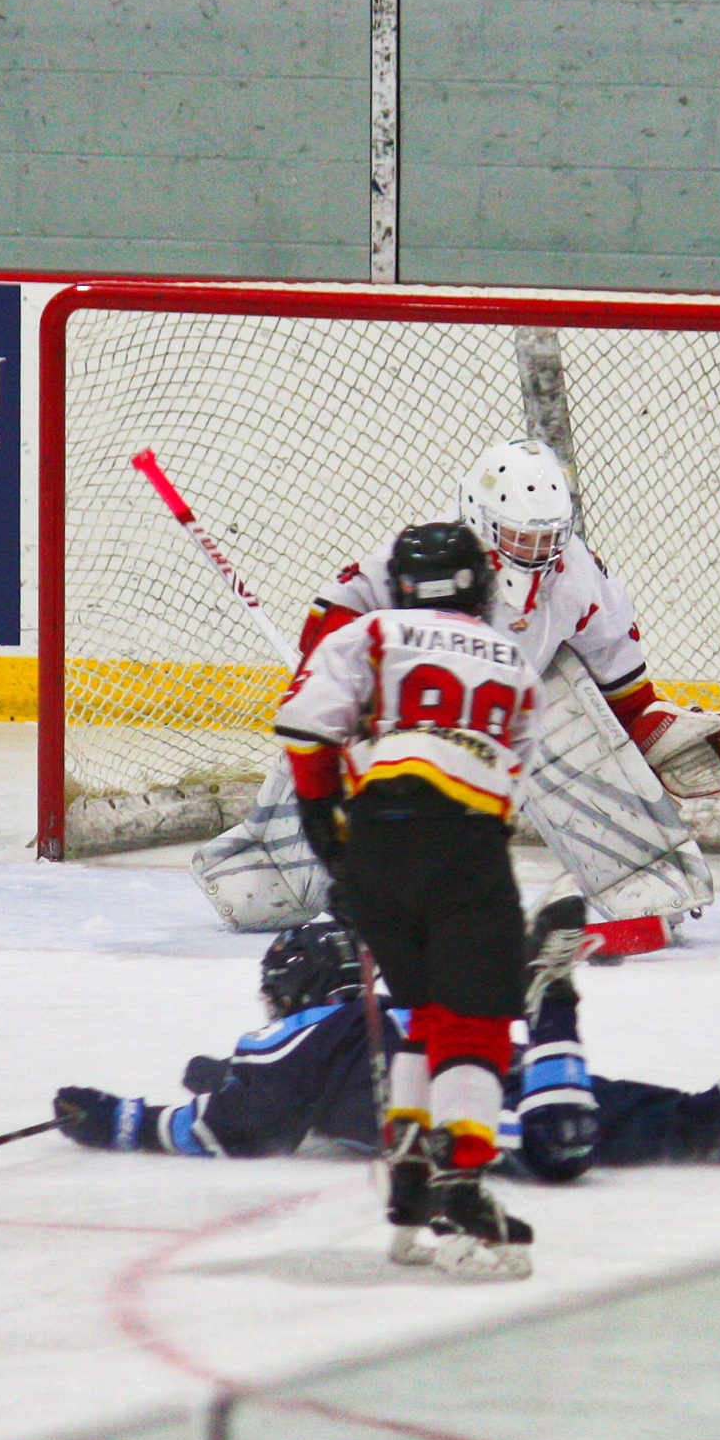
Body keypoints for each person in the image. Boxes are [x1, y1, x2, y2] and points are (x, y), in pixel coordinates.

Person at [53, 920, 720, 1239]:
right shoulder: (373, 1017)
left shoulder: (299, 1034)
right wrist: (220, 1071)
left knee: (559, 1151)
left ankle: (551, 994)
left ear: (292, 993)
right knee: (697, 1129)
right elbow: (300, 1100)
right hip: (516, 1070)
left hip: (491, 1109)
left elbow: (234, 1130)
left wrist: (117, 1119)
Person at [192, 439, 720, 940]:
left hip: (509, 700)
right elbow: (339, 614)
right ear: (479, 518)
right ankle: (270, 865)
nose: (537, 552)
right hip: (410, 709)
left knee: (571, 711)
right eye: (520, 535)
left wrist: (646, 726)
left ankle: (645, 880)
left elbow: (616, 665)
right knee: (301, 849)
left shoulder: (577, 574)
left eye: (549, 537)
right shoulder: (427, 555)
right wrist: (334, 693)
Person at [268, 519, 547, 1278]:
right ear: (480, 586)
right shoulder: (516, 663)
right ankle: (462, 1185)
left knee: (422, 1010)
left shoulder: (368, 633)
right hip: (466, 842)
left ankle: (412, 1180)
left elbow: (306, 730)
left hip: (374, 846)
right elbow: (510, 786)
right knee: (473, 1019)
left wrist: (327, 832)